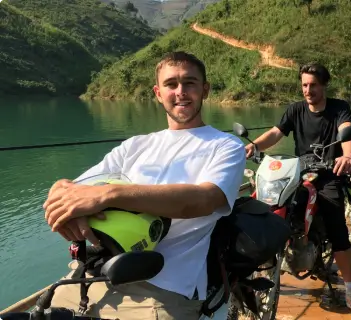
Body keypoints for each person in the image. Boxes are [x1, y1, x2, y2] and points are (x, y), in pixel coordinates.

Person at [43, 51, 246, 319]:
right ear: (158, 93)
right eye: (171, 84)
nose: (180, 92)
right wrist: (60, 191)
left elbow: (203, 199)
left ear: (205, 90)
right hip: (92, 275)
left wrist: (109, 194)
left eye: (190, 83)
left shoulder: (225, 145)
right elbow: (76, 188)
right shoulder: (135, 146)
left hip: (163, 289)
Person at [244, 63, 351, 320]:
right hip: (299, 173)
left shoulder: (339, 108)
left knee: (338, 231)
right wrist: (253, 147)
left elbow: (347, 135)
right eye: (304, 85)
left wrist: (347, 156)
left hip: (328, 174)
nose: (308, 90)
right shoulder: (295, 109)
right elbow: (276, 133)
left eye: (313, 85)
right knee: (270, 207)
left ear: (324, 85)